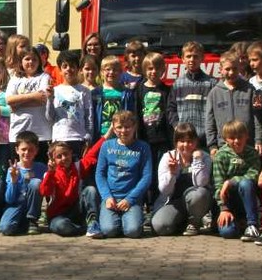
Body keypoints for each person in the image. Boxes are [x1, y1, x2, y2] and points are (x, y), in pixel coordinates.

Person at [94, 111, 152, 239]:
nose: (123, 130)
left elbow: (146, 177)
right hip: (111, 198)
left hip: (131, 198)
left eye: (127, 127)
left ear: (134, 127)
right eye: (119, 127)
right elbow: (100, 174)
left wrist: (130, 199)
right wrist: (107, 197)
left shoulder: (143, 147)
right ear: (114, 128)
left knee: (133, 231)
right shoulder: (106, 146)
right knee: (109, 230)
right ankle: (112, 219)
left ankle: (130, 219)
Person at [150, 123, 213, 237]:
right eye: (182, 141)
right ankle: (182, 222)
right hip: (173, 202)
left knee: (199, 194)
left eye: (190, 141)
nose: (186, 145)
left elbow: (201, 183)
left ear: (196, 142)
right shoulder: (168, 157)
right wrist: (172, 173)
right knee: (160, 226)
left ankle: (194, 222)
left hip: (196, 201)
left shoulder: (204, 157)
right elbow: (164, 191)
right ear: (176, 143)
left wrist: (198, 160)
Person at [204, 51, 261, 157]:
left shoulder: (250, 90)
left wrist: (258, 140)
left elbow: (257, 118)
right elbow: (209, 122)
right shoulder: (214, 93)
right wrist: (212, 146)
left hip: (247, 146)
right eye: (227, 69)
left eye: (234, 68)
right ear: (220, 70)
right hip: (223, 148)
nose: (231, 72)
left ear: (239, 68)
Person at [213, 120, 262, 241]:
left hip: (248, 197)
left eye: (240, 137)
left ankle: (252, 224)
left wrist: (231, 181)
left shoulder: (252, 153)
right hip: (229, 200)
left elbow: (254, 175)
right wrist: (224, 209)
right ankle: (239, 222)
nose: (236, 141)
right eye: (232, 138)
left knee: (246, 183)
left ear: (246, 136)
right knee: (228, 232)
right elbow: (218, 185)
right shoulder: (220, 155)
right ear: (225, 139)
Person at [137, 51, 172, 208]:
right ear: (145, 70)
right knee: (146, 173)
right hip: (144, 139)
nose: (153, 72)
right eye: (150, 68)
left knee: (161, 173)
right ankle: (146, 204)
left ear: (163, 70)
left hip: (162, 139)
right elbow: (136, 114)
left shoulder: (166, 90)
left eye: (157, 68)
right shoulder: (138, 90)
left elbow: (170, 114)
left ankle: (159, 204)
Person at [168, 41, 217, 149]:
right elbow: (171, 109)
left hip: (205, 141)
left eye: (195, 56)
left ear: (202, 58)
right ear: (183, 59)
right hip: (184, 142)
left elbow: (216, 112)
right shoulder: (178, 84)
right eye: (188, 56)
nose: (191, 60)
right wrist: (177, 126)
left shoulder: (212, 83)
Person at [6, 48, 52, 162]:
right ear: (21, 61)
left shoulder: (44, 77)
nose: (31, 62)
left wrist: (17, 103)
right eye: (27, 59)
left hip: (41, 134)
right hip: (18, 132)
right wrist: (32, 96)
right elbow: (9, 100)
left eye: (34, 59)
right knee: (18, 170)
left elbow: (42, 99)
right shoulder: (15, 79)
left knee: (41, 170)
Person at [47, 51, 93, 160]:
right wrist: (50, 98)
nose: (68, 69)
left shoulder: (84, 91)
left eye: (72, 66)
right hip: (59, 138)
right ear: (60, 70)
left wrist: (88, 139)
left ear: (78, 69)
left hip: (78, 139)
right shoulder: (55, 90)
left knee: (77, 172)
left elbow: (89, 117)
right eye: (65, 66)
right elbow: (49, 117)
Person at [40, 141, 90, 237]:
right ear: (53, 159)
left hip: (76, 211)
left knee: (90, 190)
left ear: (71, 153)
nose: (64, 158)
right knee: (62, 226)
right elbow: (45, 192)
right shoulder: (49, 174)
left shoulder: (77, 167)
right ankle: (82, 228)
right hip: (57, 216)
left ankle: (92, 223)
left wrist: (107, 135)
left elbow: (93, 153)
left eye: (66, 154)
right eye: (59, 156)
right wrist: (50, 172)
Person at [1, 131, 46, 236]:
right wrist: (13, 180)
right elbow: (9, 199)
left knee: (36, 182)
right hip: (16, 205)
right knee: (5, 229)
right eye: (23, 149)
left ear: (36, 151)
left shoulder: (42, 168)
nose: (27, 153)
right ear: (17, 150)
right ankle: (22, 222)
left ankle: (32, 220)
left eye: (31, 150)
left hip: (33, 206)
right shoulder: (12, 170)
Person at [90, 56, 137, 144]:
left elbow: (132, 116)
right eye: (108, 69)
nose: (111, 72)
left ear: (120, 72)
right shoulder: (95, 93)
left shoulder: (127, 93)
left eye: (115, 70)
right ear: (101, 72)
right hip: (101, 137)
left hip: (121, 137)